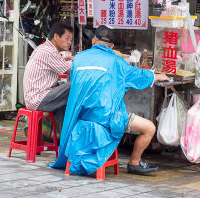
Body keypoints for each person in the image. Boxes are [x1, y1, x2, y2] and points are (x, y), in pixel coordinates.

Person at [50, 25, 170, 176]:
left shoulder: (79, 59)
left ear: (94, 40)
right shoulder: (117, 62)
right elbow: (138, 76)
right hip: (107, 119)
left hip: (79, 117)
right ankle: (134, 162)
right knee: (150, 128)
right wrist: (156, 76)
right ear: (112, 46)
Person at [23, 22, 73, 131]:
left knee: (66, 100)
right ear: (56, 36)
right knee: (76, 85)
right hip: (38, 99)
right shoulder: (48, 52)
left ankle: (60, 135)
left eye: (71, 39)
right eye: (67, 38)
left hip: (36, 98)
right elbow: (72, 70)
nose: (69, 42)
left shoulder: (44, 49)